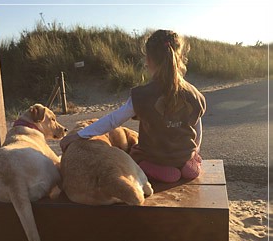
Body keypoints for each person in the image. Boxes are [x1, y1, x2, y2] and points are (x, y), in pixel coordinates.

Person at [60, 30, 206, 183]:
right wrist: (195, 150)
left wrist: (79, 135)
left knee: (135, 154)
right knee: (189, 156)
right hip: (183, 154)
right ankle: (187, 165)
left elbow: (113, 120)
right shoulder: (194, 94)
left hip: (155, 157)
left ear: (148, 60)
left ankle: (152, 167)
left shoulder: (143, 95)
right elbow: (197, 127)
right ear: (181, 57)